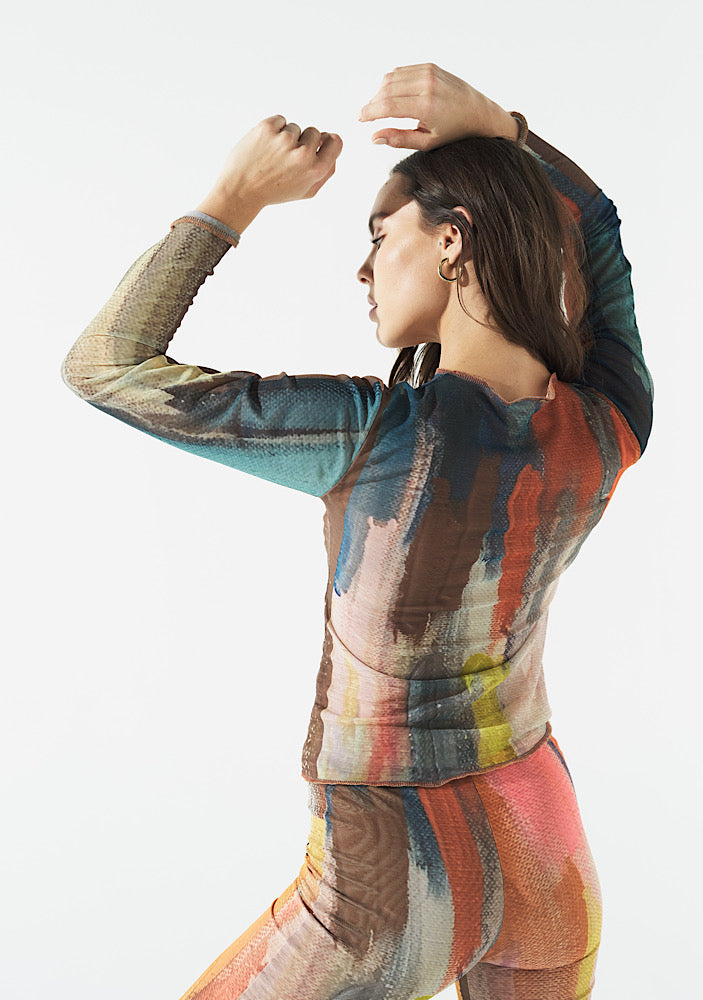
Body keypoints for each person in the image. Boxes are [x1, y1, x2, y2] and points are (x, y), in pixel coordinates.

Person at [62, 64, 653, 1000]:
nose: (364, 270)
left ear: (453, 240)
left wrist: (231, 201)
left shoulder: (379, 434)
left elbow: (107, 367)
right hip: (549, 848)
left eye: (381, 236)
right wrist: (502, 128)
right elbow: (601, 235)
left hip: (393, 876)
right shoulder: (608, 421)